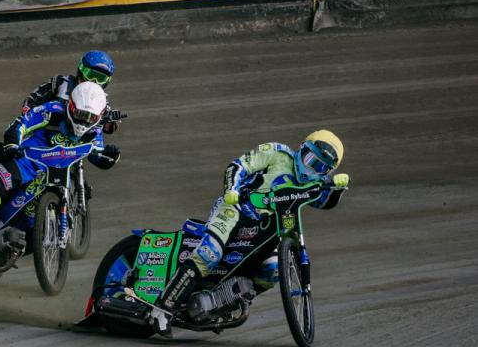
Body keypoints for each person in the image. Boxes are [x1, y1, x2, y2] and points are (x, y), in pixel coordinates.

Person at [150, 130, 351, 335]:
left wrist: (337, 189)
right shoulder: (278, 153)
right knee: (209, 253)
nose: (310, 169)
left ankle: (222, 303)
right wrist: (231, 190)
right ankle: (162, 309)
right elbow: (238, 165)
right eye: (310, 159)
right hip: (235, 209)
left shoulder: (313, 182)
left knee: (272, 270)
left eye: (320, 167)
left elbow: (323, 201)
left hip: (267, 227)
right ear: (302, 148)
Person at [0, 81, 121, 260]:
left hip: (58, 174)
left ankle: (3, 249)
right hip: (28, 162)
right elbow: (21, 124)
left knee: (34, 228)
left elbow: (98, 156)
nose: (84, 121)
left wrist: (111, 156)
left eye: (90, 117)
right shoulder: (52, 109)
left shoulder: (95, 131)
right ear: (71, 105)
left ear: (99, 117)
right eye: (80, 114)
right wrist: (13, 142)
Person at [21, 50, 123, 134]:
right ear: (81, 69)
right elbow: (31, 100)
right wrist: (34, 115)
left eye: (100, 78)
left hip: (75, 145)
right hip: (45, 136)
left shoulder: (101, 100)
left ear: (107, 81)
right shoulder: (60, 83)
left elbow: (107, 129)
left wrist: (112, 120)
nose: (94, 81)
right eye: (91, 75)